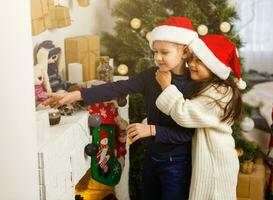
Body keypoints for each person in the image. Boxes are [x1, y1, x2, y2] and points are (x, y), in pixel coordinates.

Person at [44, 16, 199, 200]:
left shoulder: (193, 84)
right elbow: (118, 88)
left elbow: (187, 133)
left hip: (177, 164)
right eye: (155, 51)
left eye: (164, 52)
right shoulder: (151, 76)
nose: (157, 57)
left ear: (184, 51)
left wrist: (151, 129)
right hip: (152, 158)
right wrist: (76, 95)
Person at [153, 34, 244, 200]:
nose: (191, 65)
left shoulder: (220, 93)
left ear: (214, 66)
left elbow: (184, 113)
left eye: (199, 61)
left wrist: (166, 86)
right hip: (209, 158)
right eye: (191, 59)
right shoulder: (209, 87)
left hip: (216, 163)